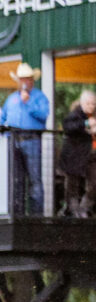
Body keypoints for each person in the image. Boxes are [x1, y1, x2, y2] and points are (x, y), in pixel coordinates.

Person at [2, 62, 50, 216]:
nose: (25, 82)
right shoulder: (10, 99)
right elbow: (2, 119)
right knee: (17, 180)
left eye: (27, 79)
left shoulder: (39, 97)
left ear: (32, 80)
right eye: (22, 79)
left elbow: (44, 115)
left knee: (34, 179)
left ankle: (36, 215)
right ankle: (18, 214)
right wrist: (5, 135)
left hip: (32, 140)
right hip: (14, 141)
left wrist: (28, 102)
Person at [60, 90, 96, 218]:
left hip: (91, 155)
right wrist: (85, 124)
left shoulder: (94, 114)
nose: (91, 106)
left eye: (93, 103)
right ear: (82, 102)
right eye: (88, 103)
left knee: (94, 183)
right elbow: (68, 126)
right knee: (72, 184)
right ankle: (73, 210)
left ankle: (84, 207)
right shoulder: (75, 114)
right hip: (75, 155)